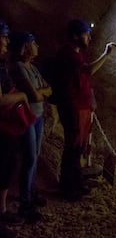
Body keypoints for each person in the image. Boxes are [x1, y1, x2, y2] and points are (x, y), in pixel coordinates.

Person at [51, 19, 116, 201]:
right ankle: (68, 188)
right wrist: (106, 54)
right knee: (72, 148)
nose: (89, 37)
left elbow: (83, 80)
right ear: (75, 36)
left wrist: (91, 99)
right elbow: (88, 71)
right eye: (86, 34)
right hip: (73, 107)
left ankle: (75, 182)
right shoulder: (68, 54)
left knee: (78, 147)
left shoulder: (76, 54)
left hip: (81, 107)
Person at [9, 32, 52, 223]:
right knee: (30, 158)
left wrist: (40, 93)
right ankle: (25, 203)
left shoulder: (32, 68)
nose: (37, 46)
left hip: (38, 116)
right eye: (34, 43)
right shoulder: (19, 68)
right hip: (27, 118)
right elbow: (35, 96)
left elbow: (49, 90)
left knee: (34, 156)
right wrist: (40, 93)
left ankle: (31, 192)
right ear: (25, 47)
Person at [0, 20, 26, 231]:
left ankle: (1, 210)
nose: (7, 41)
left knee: (7, 166)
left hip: (5, 127)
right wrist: (22, 95)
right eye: (4, 36)